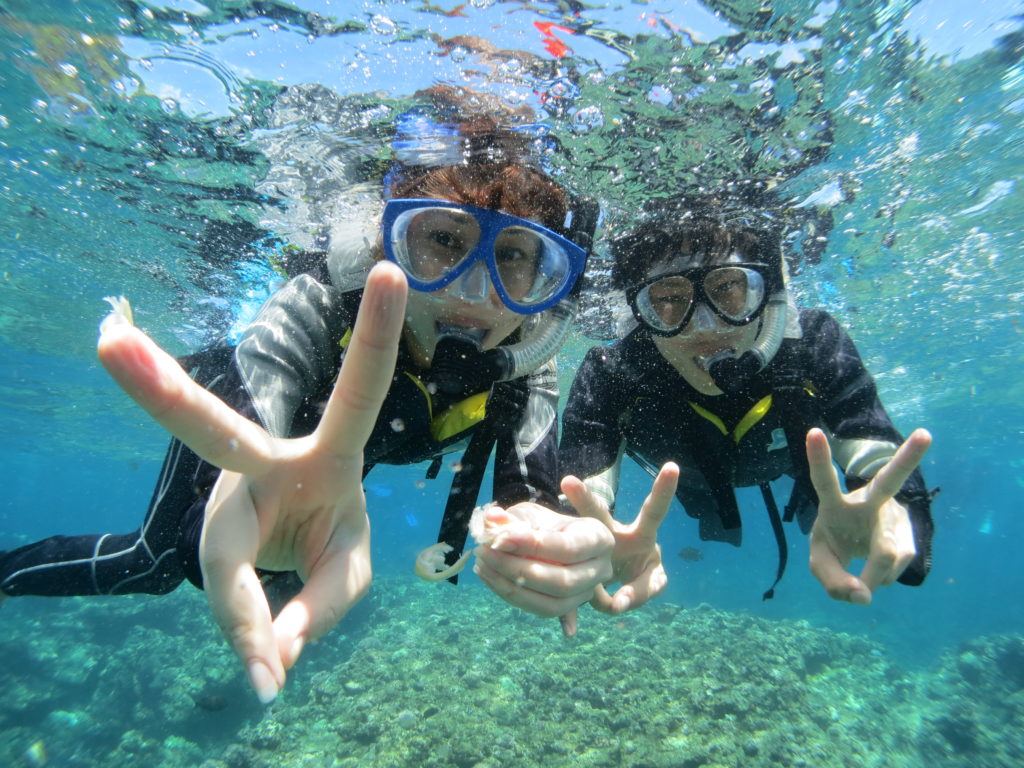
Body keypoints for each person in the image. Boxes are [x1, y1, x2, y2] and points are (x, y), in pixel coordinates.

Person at [0, 101, 629, 703]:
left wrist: (552, 546)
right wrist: (230, 503)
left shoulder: (528, 358)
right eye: (440, 240)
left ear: (551, 281)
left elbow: (535, 503)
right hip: (254, 418)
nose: (474, 289)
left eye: (516, 256)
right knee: (160, 563)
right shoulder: (315, 307)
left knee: (291, 571)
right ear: (388, 244)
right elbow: (238, 470)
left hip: (340, 462)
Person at [559, 193, 936, 605]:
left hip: (790, 467)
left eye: (727, 289)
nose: (705, 326)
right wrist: (582, 537)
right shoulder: (614, 372)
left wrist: (894, 510)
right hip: (696, 481)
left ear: (766, 293)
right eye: (668, 300)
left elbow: (871, 443)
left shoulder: (811, 344)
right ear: (638, 313)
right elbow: (582, 491)